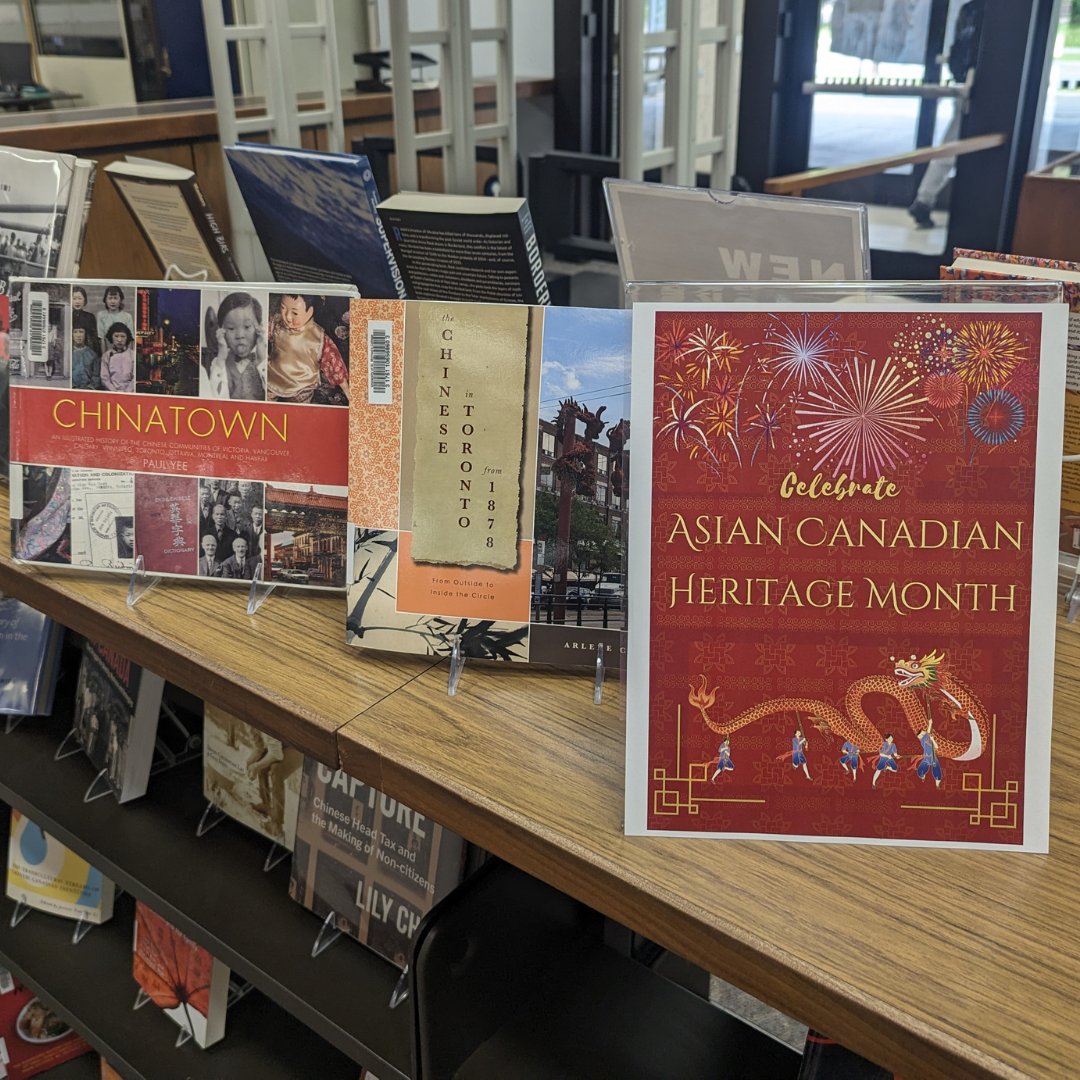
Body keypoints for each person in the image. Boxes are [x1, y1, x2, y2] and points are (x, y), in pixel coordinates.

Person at [908, 0, 985, 228]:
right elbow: (972, 52)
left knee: (953, 145)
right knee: (954, 146)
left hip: (966, 84)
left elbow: (959, 49)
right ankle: (924, 199)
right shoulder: (983, 11)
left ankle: (925, 199)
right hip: (975, 88)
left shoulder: (970, 9)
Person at [268, 293, 349, 404]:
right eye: (283, 308)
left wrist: (347, 390)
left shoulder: (318, 337)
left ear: (310, 311)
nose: (288, 316)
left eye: (295, 313)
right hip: (273, 377)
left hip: (302, 386)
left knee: (299, 411)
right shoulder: (276, 322)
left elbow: (333, 361)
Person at [204, 292, 265, 400]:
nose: (240, 335)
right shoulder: (219, 364)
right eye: (231, 328)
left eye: (247, 326)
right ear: (221, 332)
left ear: (259, 328)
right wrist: (221, 358)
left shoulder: (268, 362)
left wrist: (262, 360)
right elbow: (214, 399)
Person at [100, 323, 135, 393]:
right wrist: (115, 392)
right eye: (116, 336)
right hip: (112, 392)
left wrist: (127, 392)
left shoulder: (132, 355)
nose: (119, 340)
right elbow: (104, 378)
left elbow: (134, 378)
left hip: (129, 392)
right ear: (111, 337)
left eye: (123, 336)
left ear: (127, 338)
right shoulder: (106, 356)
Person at [71, 324, 101, 390]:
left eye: (81, 332)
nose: (78, 335)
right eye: (75, 332)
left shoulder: (92, 355)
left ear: (85, 335)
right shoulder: (68, 354)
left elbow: (96, 376)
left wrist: (89, 388)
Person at [70, 285, 99, 353]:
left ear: (84, 300)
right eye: (74, 298)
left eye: (80, 298)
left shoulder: (90, 317)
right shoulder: (67, 315)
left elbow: (94, 338)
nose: (77, 302)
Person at [916, 721, 943, 788]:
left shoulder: (928, 738)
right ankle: (922, 776)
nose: (924, 732)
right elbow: (927, 732)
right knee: (920, 771)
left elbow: (937, 747)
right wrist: (930, 724)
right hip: (926, 758)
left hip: (933, 757)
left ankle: (937, 783)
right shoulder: (923, 740)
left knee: (937, 771)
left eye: (923, 732)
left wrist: (933, 740)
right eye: (922, 734)